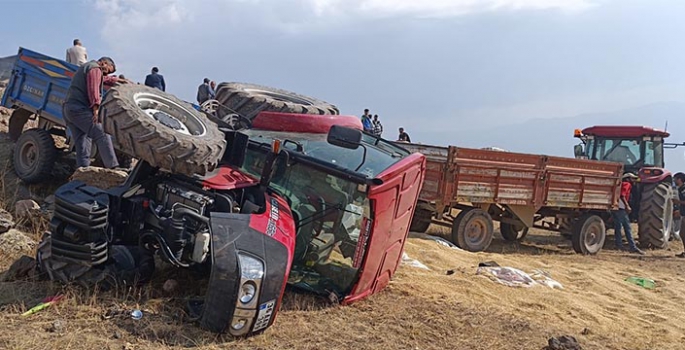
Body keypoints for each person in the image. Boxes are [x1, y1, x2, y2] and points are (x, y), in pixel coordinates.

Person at [63, 57, 125, 169]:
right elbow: (94, 90)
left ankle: (83, 170)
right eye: (107, 70)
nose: (106, 73)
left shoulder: (88, 67)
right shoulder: (95, 68)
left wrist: (117, 81)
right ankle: (113, 167)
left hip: (69, 109)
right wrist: (96, 110)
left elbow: (103, 79)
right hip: (79, 109)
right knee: (101, 132)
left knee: (82, 140)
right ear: (104, 63)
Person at [612, 172, 644, 254]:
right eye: (632, 178)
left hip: (616, 207)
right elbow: (622, 195)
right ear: (628, 178)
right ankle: (632, 247)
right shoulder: (626, 184)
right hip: (621, 208)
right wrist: (627, 206)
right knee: (627, 228)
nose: (634, 180)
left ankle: (619, 245)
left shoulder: (620, 184)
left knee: (618, 227)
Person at [673, 172, 685, 257]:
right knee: (682, 234)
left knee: (682, 233)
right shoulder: (680, 188)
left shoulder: (683, 189)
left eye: (675, 179)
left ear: (679, 180)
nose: (674, 180)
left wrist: (678, 202)